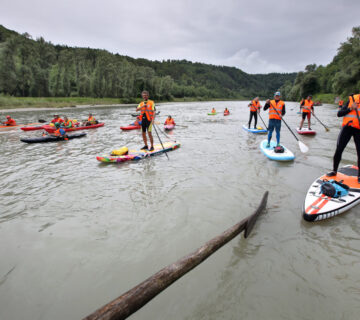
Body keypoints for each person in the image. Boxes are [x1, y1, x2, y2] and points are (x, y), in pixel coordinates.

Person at [327, 93, 360, 182]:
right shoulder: (352, 99)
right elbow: (339, 113)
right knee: (339, 149)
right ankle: (334, 171)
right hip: (347, 128)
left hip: (358, 130)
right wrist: (350, 108)